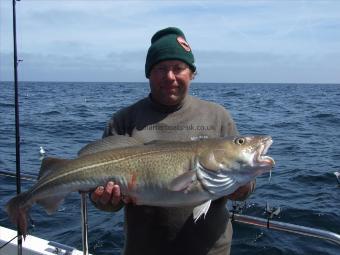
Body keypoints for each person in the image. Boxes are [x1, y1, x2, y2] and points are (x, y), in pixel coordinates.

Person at [90, 27, 255, 255]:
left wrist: (243, 187)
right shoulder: (124, 120)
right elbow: (106, 200)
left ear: (192, 73)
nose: (170, 77)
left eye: (179, 68)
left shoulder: (218, 117)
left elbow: (243, 186)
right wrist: (105, 201)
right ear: (149, 73)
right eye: (160, 69)